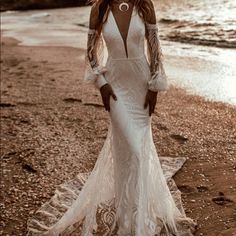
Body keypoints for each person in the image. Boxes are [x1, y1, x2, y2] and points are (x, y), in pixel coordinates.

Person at [27, 0, 198, 235]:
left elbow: (155, 47)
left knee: (138, 149)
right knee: (125, 149)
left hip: (140, 83)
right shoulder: (100, 9)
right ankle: (125, 215)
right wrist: (102, 83)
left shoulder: (144, 4)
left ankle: (138, 216)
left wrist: (155, 85)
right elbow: (90, 51)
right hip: (115, 86)